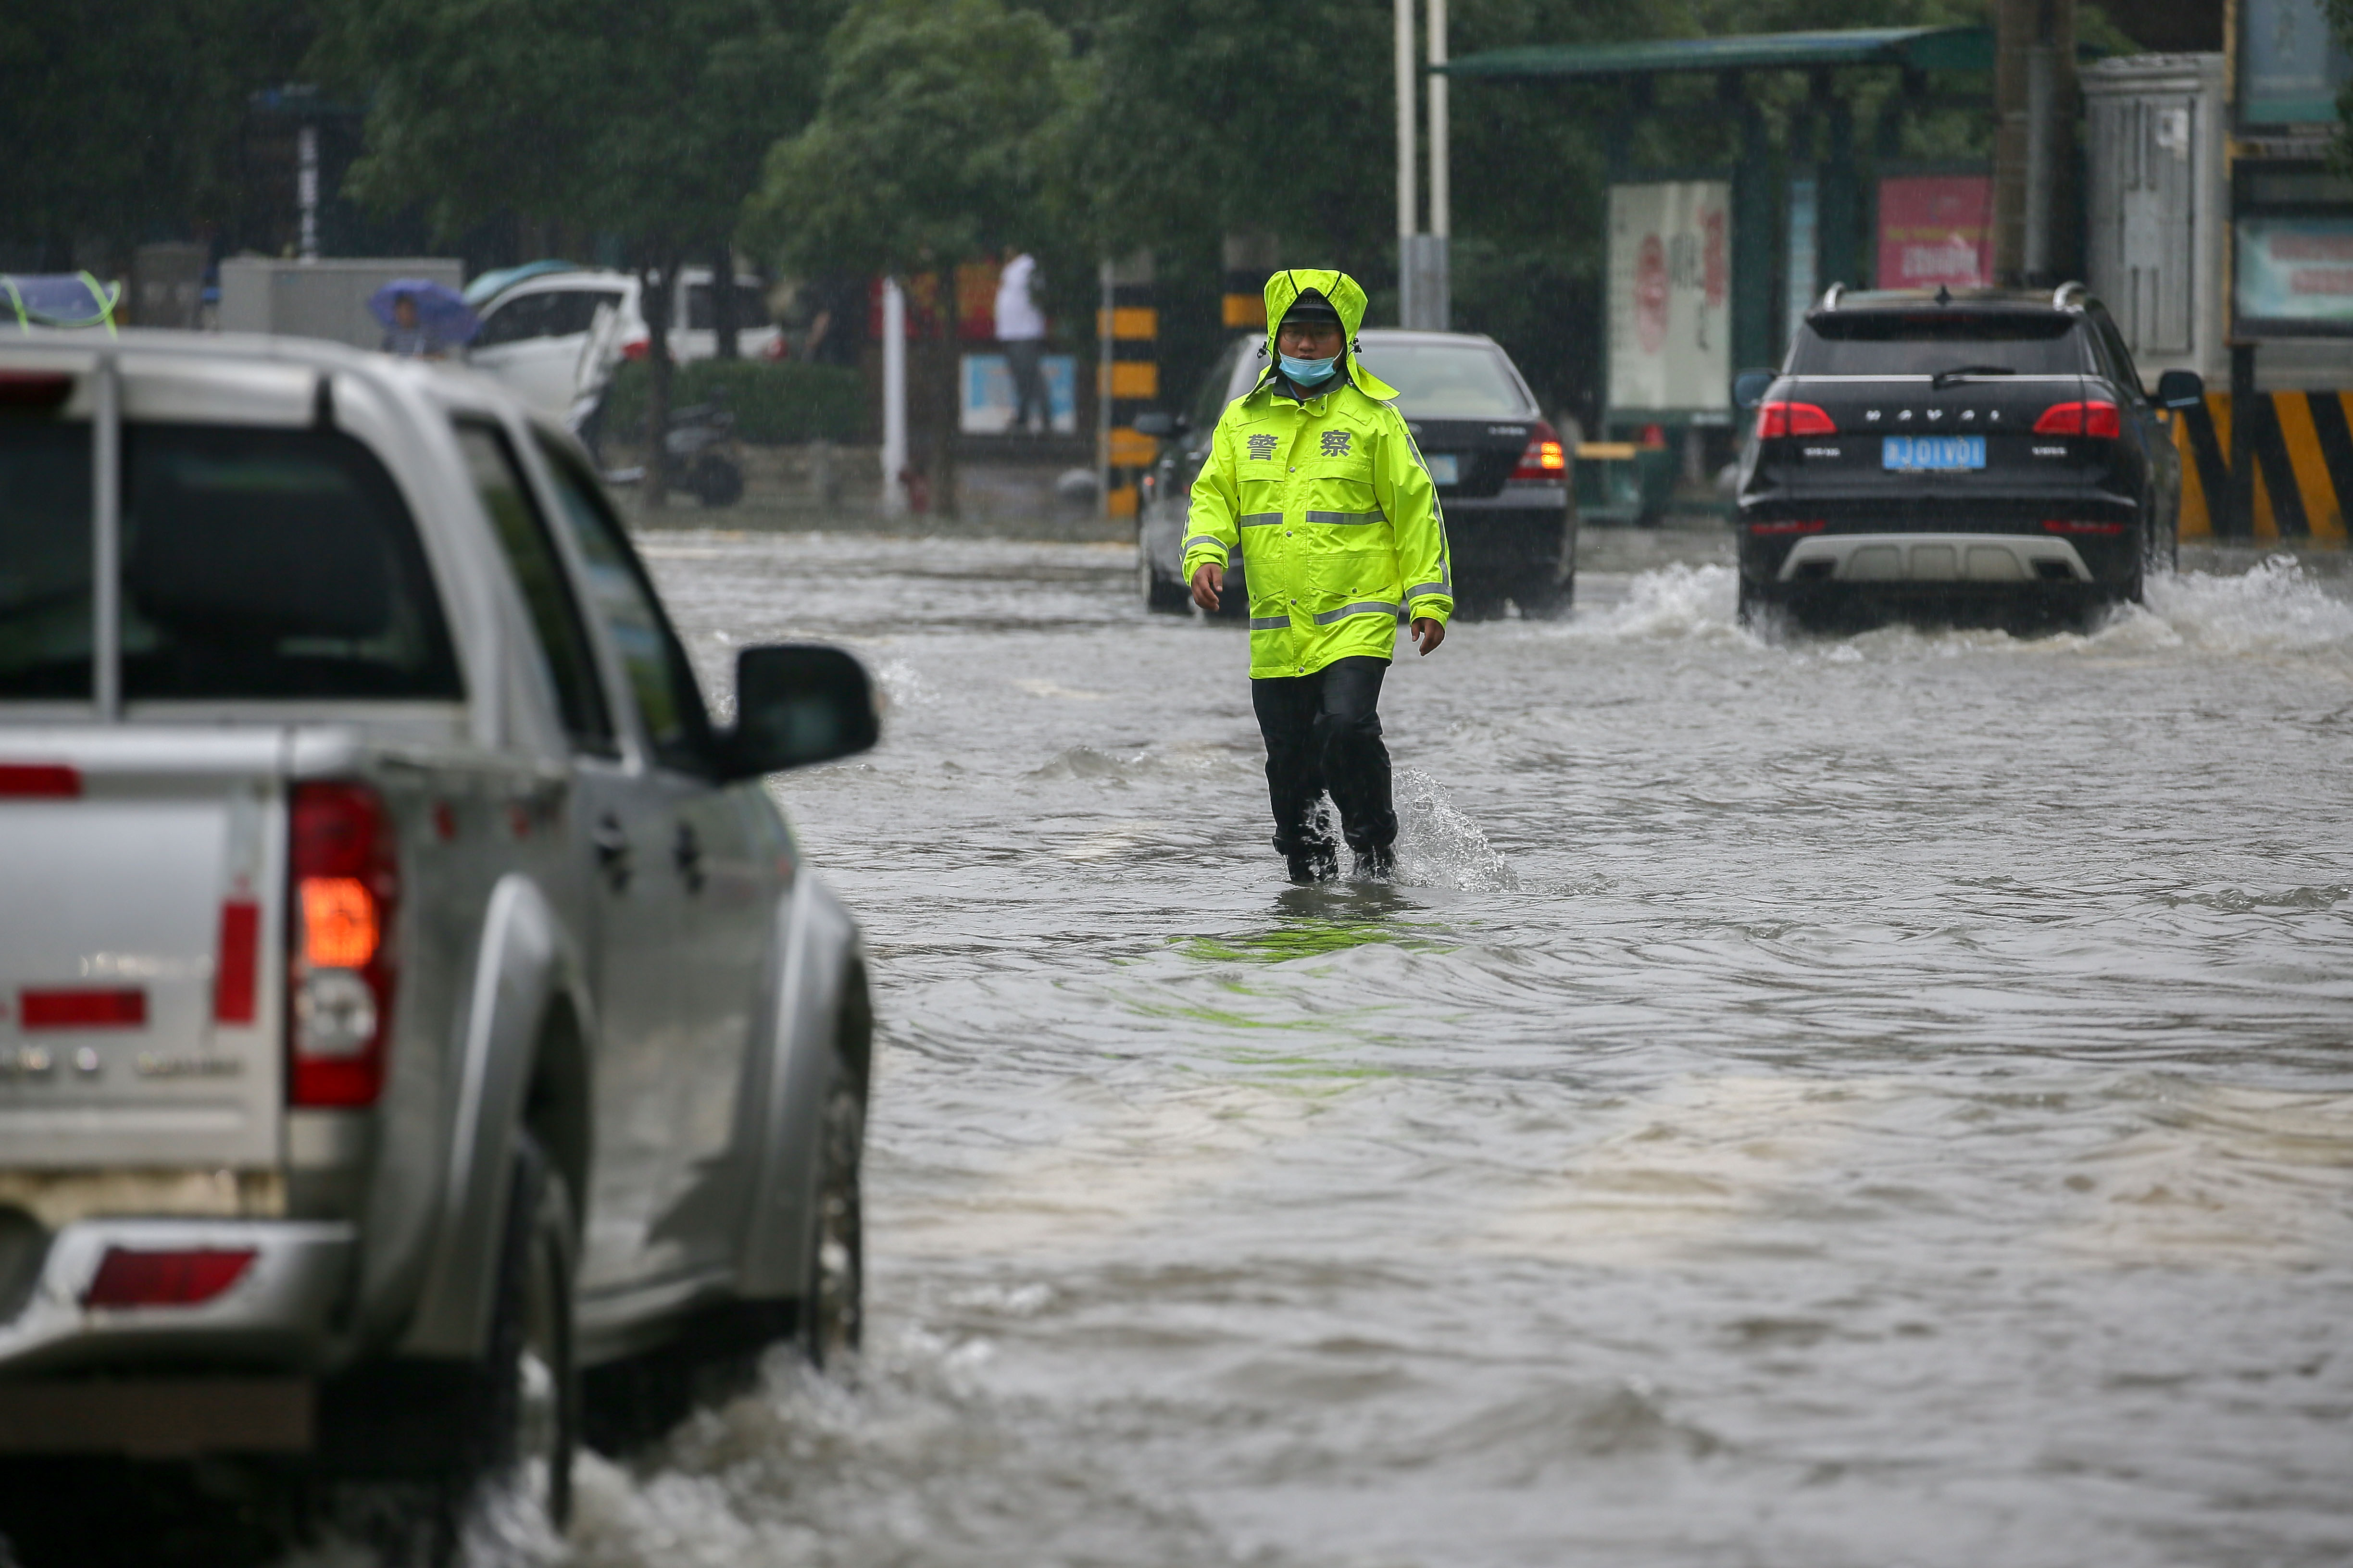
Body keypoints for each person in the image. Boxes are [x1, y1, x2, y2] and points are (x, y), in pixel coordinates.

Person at [1183, 269, 1453, 884]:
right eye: (1295, 333)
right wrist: (1204, 555)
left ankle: (1375, 853)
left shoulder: (1374, 421)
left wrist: (1430, 598)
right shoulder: (1241, 422)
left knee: (1345, 726)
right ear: (1275, 340)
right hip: (1277, 630)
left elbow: (1417, 512)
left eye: (1321, 334)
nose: (1306, 346)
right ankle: (1309, 885)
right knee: (1289, 764)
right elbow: (1210, 498)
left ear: (1346, 340)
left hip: (1356, 618)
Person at [994, 249, 1049, 435]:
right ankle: (1024, 416)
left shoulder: (1028, 267)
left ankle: (1044, 417)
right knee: (1020, 377)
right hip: (1011, 332)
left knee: (1030, 375)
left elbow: (1038, 294)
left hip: (1024, 332)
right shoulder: (1011, 269)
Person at [379, 291, 441, 358]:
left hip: (420, 366)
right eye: (400, 312)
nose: (404, 315)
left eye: (407, 311)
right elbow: (382, 354)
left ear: (413, 311)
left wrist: (425, 357)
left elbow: (441, 356)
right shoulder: (393, 333)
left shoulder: (426, 332)